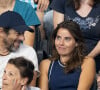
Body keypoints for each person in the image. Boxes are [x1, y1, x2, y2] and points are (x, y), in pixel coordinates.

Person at [39, 20, 96, 90]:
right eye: (58, 38)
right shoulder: (45, 64)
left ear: (77, 43)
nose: (61, 43)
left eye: (67, 39)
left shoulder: (87, 62)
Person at [50, 0, 100, 73]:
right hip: (67, 55)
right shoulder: (61, 1)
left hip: (96, 57)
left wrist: (88, 59)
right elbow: (60, 34)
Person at [0, 11, 39, 88]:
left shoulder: (28, 52)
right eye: (18, 33)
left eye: (23, 33)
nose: (23, 38)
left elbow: (29, 88)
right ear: (1, 32)